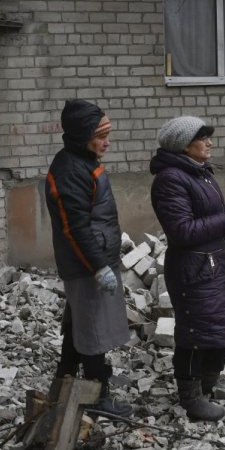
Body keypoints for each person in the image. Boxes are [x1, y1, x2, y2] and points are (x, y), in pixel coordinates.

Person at [149, 116, 225, 421]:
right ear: (184, 145)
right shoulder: (170, 180)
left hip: (215, 263)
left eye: (208, 137)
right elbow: (181, 230)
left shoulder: (200, 173)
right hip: (193, 269)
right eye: (202, 138)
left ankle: (209, 381)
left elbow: (207, 212)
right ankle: (191, 397)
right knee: (196, 333)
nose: (209, 143)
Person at [45, 99, 133, 417]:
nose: (107, 142)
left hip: (91, 261)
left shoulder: (82, 161)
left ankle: (64, 379)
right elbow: (75, 228)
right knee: (94, 329)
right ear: (83, 136)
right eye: (101, 136)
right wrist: (98, 267)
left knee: (78, 323)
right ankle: (97, 397)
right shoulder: (71, 170)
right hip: (86, 265)